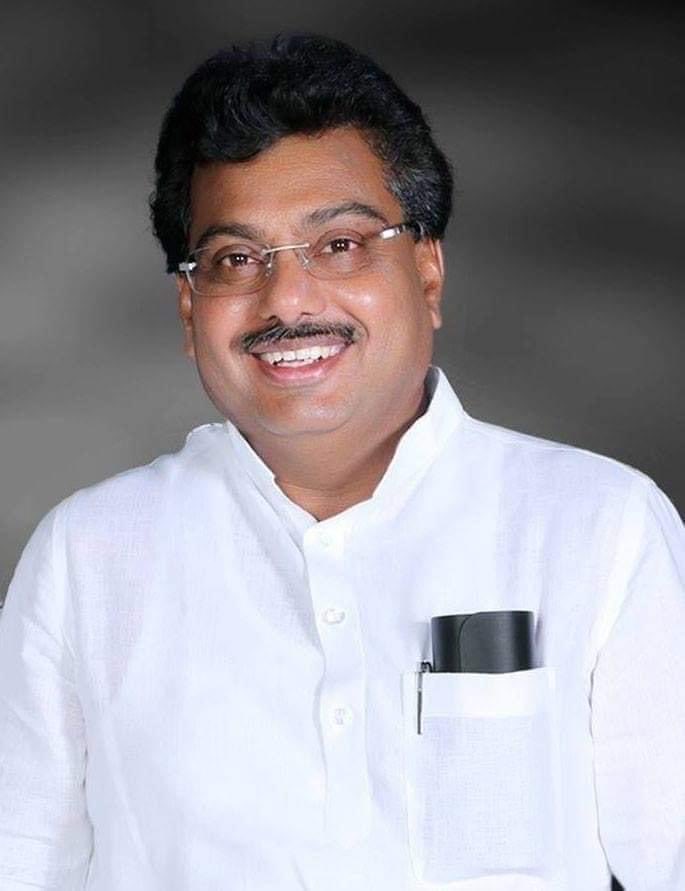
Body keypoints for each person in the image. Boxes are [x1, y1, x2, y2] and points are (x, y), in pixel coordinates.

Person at [0, 32, 683, 891]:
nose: (287, 300)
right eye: (235, 259)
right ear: (189, 308)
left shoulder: (597, 526)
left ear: (427, 274)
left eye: (340, 245)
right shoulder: (89, 554)